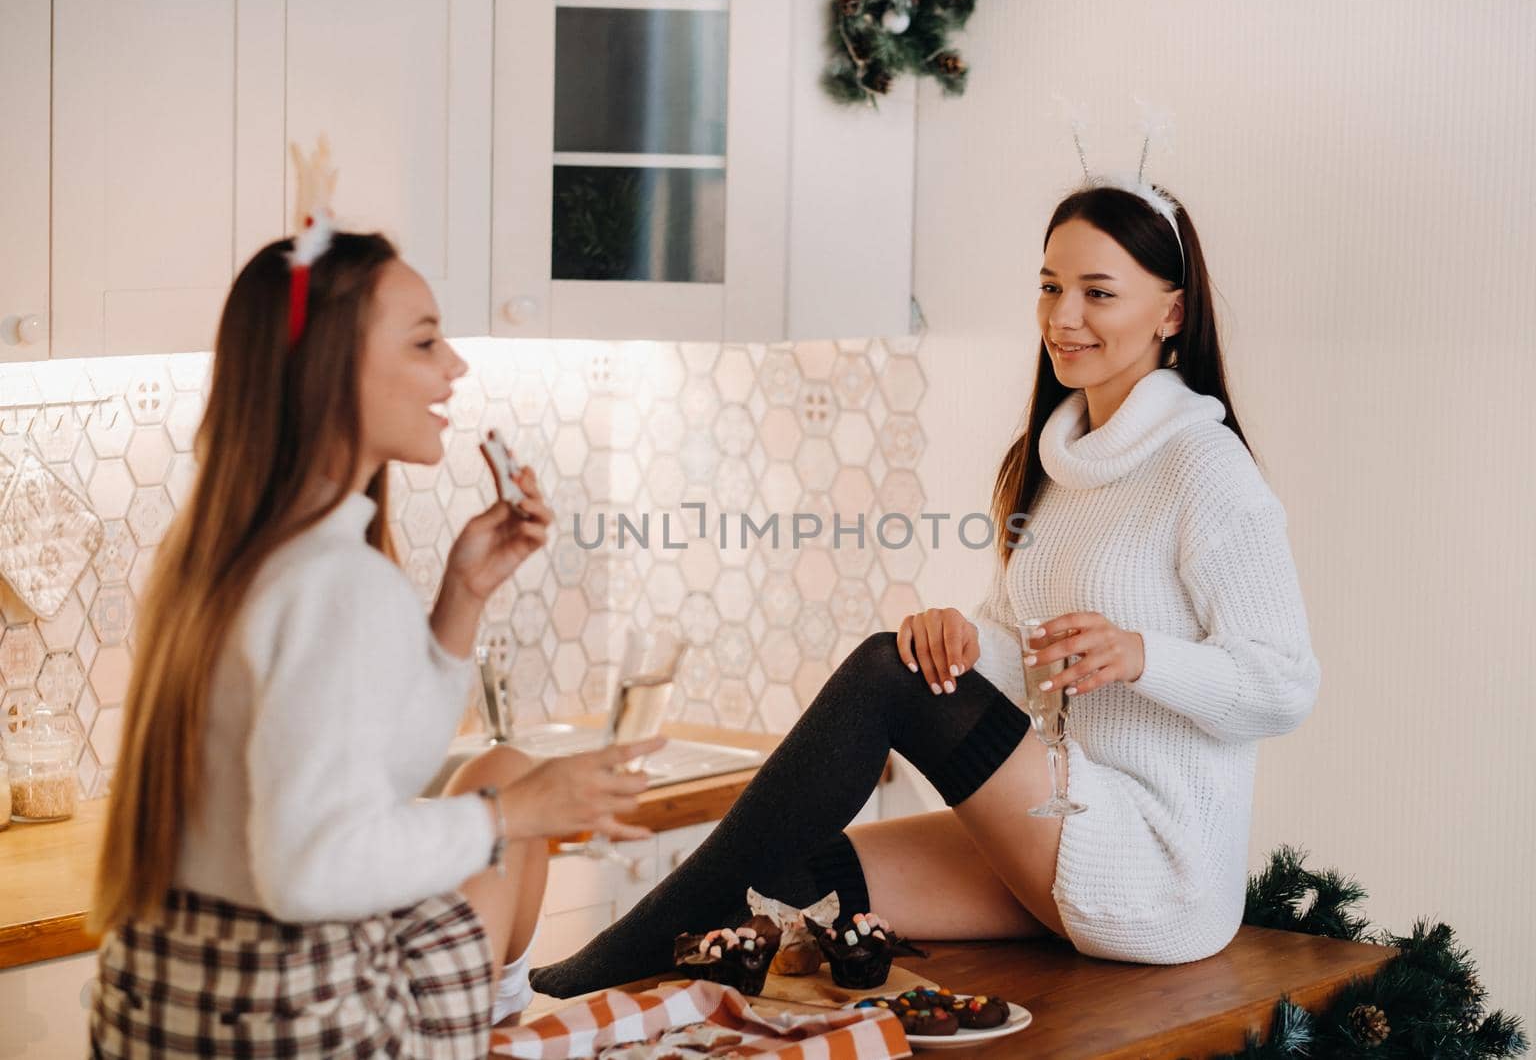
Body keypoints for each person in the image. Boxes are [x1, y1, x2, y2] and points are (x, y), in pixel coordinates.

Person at [531, 180, 1322, 997]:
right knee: (793, 868)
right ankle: (595, 999)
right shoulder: (1055, 465)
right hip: (1059, 832)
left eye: (1098, 293)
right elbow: (1022, 652)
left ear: (1173, 313)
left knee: (888, 671)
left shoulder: (1206, 469)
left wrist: (1142, 656)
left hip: (1157, 868)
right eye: (1050, 287)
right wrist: (973, 644)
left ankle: (582, 976)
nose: (1063, 317)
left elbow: (1285, 682)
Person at [88, 224, 664, 1057]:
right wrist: (519, 812)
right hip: (301, 1025)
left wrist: (461, 596)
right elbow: (310, 868)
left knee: (500, 776)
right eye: (426, 341)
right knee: (509, 796)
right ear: (330, 371)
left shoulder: (218, 557)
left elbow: (388, 756)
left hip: (163, 1005)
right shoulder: (337, 583)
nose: (455, 367)